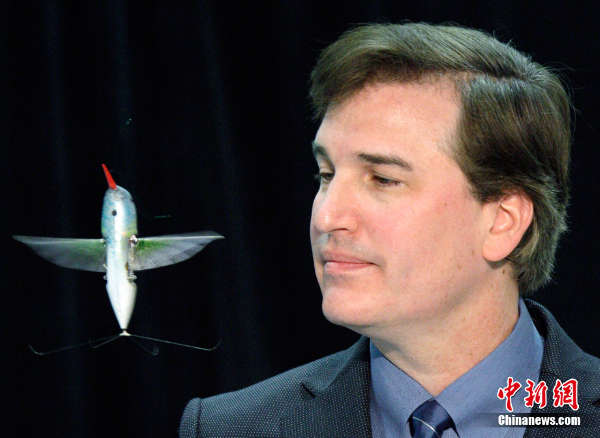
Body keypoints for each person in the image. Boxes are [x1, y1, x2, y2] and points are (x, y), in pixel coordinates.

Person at [179, 22, 600, 437]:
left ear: (502, 222)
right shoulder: (230, 429)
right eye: (326, 175)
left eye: (382, 179)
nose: (326, 218)